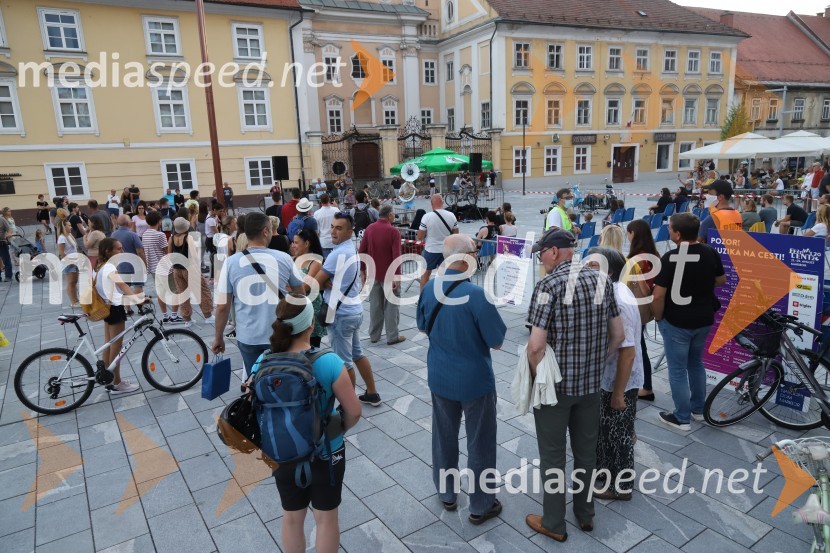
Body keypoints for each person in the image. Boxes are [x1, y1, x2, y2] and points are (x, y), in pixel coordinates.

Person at [525, 229, 623, 543]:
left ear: (554, 252)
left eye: (541, 252)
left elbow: (536, 346)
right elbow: (618, 335)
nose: (541, 258)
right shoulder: (602, 280)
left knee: (553, 456)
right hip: (590, 386)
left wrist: (536, 378)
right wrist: (596, 362)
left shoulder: (548, 285)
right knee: (585, 453)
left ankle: (554, 522)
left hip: (556, 388)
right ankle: (585, 513)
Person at [251, 295, 361, 553]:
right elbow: (354, 411)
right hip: (326, 450)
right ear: (311, 325)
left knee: (291, 517)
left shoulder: (262, 361)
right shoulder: (329, 361)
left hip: (281, 450)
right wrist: (337, 430)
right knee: (326, 518)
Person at [416, 234, 506, 524]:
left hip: (440, 375)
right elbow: (497, 341)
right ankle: (481, 504)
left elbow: (422, 325)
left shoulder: (429, 289)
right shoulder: (477, 295)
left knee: (443, 436)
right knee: (480, 441)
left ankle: (447, 493)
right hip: (475, 380)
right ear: (467, 257)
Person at [652, 213, 726, 431]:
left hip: (677, 322)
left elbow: (658, 295)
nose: (668, 230)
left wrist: (658, 317)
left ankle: (682, 417)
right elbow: (721, 280)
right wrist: (701, 284)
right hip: (704, 319)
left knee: (677, 370)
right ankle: (698, 410)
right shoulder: (710, 251)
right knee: (696, 363)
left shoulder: (670, 258)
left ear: (678, 234)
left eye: (670, 228)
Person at [212, 212, 304, 375]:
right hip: (280, 333)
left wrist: (218, 337)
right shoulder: (285, 258)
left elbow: (222, 306)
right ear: (265, 231)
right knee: (283, 379)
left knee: (254, 380)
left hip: (248, 335)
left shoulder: (231, 263)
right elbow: (300, 296)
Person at [584, 247, 643, 501]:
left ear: (609, 272)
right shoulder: (612, 292)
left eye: (593, 265)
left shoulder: (618, 299)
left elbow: (628, 352)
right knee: (607, 429)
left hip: (620, 380)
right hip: (609, 376)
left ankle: (620, 486)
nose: (586, 268)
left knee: (618, 434)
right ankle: (604, 470)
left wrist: (618, 393)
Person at [313, 212, 381, 406]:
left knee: (343, 363)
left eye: (339, 228)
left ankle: (349, 405)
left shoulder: (337, 254)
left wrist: (324, 282)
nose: (333, 231)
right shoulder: (350, 249)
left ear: (350, 231)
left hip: (341, 315)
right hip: (353, 311)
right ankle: (372, 393)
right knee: (357, 353)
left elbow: (315, 282)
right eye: (332, 227)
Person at [93, 238, 144, 393]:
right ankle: (116, 382)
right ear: (108, 251)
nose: (122, 251)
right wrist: (137, 299)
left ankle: (107, 378)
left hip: (107, 308)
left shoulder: (100, 266)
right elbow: (121, 284)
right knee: (116, 347)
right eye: (119, 249)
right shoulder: (109, 267)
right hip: (115, 309)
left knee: (108, 343)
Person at [359, 205, 405, 346]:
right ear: (390, 215)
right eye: (393, 214)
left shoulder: (370, 229)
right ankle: (392, 336)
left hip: (373, 273)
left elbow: (362, 250)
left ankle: (374, 335)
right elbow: (396, 255)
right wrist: (397, 275)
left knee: (375, 304)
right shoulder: (393, 231)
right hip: (389, 274)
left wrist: (362, 270)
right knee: (391, 305)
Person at [626, 219, 659, 402]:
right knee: (640, 345)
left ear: (634, 234)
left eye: (628, 233)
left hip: (637, 307)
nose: (627, 236)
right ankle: (644, 384)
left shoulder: (637, 259)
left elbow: (642, 289)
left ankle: (646, 387)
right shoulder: (654, 254)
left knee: (638, 347)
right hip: (647, 308)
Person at [167, 217, 213, 326]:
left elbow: (169, 255)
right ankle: (208, 315)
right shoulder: (188, 238)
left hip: (177, 269)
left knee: (182, 294)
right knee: (202, 291)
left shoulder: (171, 238)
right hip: (189, 268)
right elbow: (194, 255)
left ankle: (187, 319)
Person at [290, 228, 327, 351]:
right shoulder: (293, 259)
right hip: (295, 307)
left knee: (311, 347)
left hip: (311, 309)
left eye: (296, 242)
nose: (293, 245)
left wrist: (288, 286)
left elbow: (305, 287)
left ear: (306, 243)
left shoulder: (315, 262)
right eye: (293, 242)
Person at [416, 194, 459, 289]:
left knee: (425, 275)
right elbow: (456, 234)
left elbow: (420, 236)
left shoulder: (427, 217)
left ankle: (423, 295)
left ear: (431, 204)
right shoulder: (451, 215)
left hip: (431, 250)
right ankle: (443, 295)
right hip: (446, 250)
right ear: (442, 202)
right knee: (444, 275)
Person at [141, 211, 172, 322]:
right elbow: (167, 251)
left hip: (153, 267)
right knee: (174, 290)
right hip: (164, 266)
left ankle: (165, 315)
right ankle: (174, 315)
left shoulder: (145, 234)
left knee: (161, 292)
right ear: (159, 221)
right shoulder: (160, 235)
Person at [111, 215, 146, 295]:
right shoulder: (133, 235)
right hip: (135, 266)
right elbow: (140, 252)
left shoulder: (113, 235)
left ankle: (128, 303)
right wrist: (144, 264)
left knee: (125, 288)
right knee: (138, 287)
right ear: (128, 223)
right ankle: (138, 302)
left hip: (120, 266)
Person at [57, 217, 81, 306]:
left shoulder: (69, 236)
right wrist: (70, 261)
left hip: (74, 262)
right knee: (71, 282)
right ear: (64, 227)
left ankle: (76, 300)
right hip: (69, 263)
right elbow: (62, 253)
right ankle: (73, 301)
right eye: (69, 225)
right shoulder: (62, 238)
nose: (71, 227)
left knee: (74, 282)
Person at [314, 194, 339, 258]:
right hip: (336, 239)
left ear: (320, 201)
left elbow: (317, 231)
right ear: (329, 200)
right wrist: (336, 206)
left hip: (324, 241)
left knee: (326, 262)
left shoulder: (317, 213)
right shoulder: (336, 210)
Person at [0, 207, 14, 282]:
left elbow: (9, 230)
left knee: (6, 260)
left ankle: (8, 276)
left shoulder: (2, 219)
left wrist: (8, 235)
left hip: (1, 242)